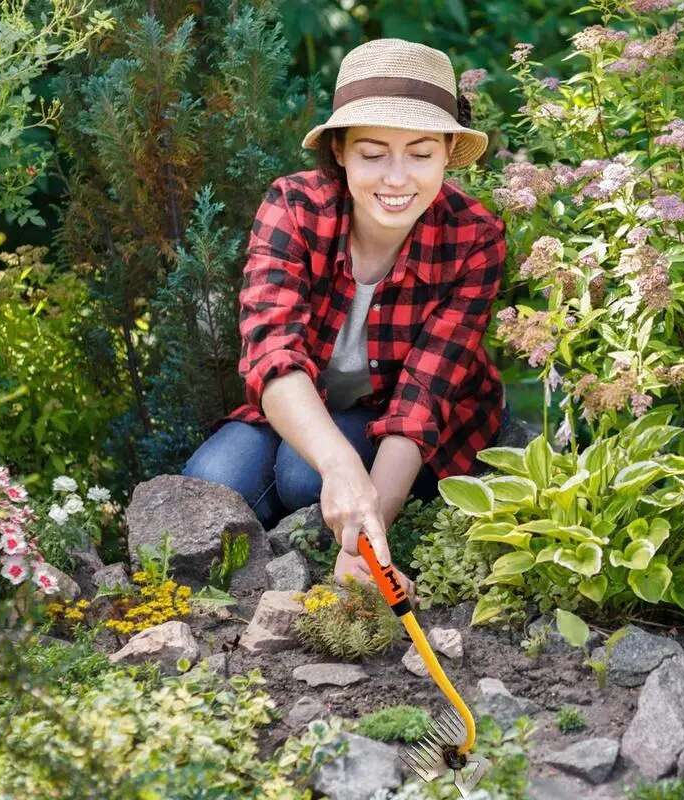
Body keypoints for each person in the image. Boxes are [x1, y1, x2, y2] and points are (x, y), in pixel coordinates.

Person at [182, 38, 508, 605]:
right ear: (340, 150)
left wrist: (367, 541)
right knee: (211, 482)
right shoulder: (294, 207)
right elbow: (272, 354)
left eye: (421, 154)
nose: (397, 178)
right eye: (373, 153)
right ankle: (303, 524)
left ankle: (315, 531)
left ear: (449, 150)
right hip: (305, 399)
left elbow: (422, 400)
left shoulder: (474, 237)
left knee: (303, 478)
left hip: (400, 419)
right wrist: (339, 464)